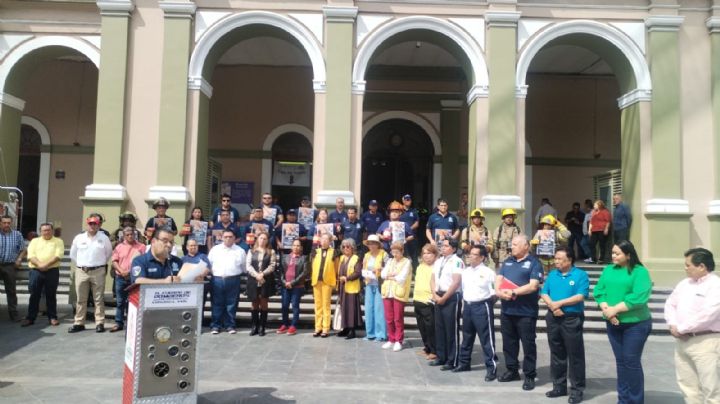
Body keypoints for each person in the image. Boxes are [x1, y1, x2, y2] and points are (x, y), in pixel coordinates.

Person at [593, 240, 652, 404]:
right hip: (613, 322)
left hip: (636, 324)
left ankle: (635, 400)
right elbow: (599, 290)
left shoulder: (640, 272)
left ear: (628, 255)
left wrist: (615, 309)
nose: (613, 256)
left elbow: (639, 296)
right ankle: (623, 400)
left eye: (617, 253)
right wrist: (607, 310)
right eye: (612, 253)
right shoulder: (608, 270)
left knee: (631, 361)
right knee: (621, 362)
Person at [664, 247, 720, 404]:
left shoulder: (715, 285)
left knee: (711, 388)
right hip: (682, 342)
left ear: (701, 266)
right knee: (688, 387)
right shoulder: (684, 284)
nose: (685, 268)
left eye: (688, 265)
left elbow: (708, 314)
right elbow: (670, 304)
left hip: (706, 342)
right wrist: (673, 324)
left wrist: (682, 328)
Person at [540, 247, 589, 403]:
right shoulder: (552, 274)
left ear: (569, 260)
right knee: (557, 352)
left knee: (575, 355)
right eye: (556, 258)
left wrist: (558, 304)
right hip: (553, 317)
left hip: (571, 318)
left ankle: (577, 390)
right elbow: (544, 292)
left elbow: (581, 296)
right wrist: (553, 307)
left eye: (560, 258)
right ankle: (559, 386)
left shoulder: (580, 275)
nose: (556, 261)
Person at [495, 235, 543, 390]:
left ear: (526, 246)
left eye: (515, 244)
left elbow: (533, 286)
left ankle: (529, 375)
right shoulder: (508, 261)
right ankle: (512, 370)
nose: (512, 247)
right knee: (509, 343)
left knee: (528, 344)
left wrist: (513, 292)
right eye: (512, 244)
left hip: (526, 312)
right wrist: (498, 291)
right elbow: (499, 278)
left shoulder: (534, 263)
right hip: (507, 310)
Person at [453, 245, 498, 380]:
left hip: (482, 306)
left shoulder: (488, 272)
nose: (470, 256)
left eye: (474, 254)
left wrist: (485, 305)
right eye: (469, 254)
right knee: (466, 337)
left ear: (482, 257)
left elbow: (494, 293)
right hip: (468, 306)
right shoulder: (465, 272)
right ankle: (464, 363)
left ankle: (491, 367)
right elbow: (463, 290)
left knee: (486, 339)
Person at [68, 215, 113, 333]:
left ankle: (99, 323)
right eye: (91, 224)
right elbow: (73, 254)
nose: (93, 226)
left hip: (98, 271)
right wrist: (82, 264)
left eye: (95, 224)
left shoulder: (104, 238)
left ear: (99, 225)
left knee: (98, 298)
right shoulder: (79, 238)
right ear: (87, 224)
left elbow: (108, 254)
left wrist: (98, 264)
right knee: (81, 299)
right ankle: (79, 323)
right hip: (82, 271)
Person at [429, 239, 464, 370]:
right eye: (441, 246)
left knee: (451, 329)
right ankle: (441, 356)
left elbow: (456, 282)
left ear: (453, 249)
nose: (442, 248)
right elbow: (432, 279)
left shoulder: (457, 262)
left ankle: (452, 359)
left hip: (450, 297)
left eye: (446, 246)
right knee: (440, 328)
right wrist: (434, 294)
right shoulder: (438, 261)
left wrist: (444, 298)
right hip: (438, 295)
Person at [21, 223, 63, 327]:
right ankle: (30, 317)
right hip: (36, 271)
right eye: (44, 230)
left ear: (52, 231)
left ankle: (52, 317)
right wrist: (40, 265)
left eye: (48, 230)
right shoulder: (34, 241)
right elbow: (31, 255)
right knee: (34, 294)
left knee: (51, 295)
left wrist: (46, 265)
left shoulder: (58, 241)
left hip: (52, 271)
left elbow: (58, 255)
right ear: (40, 231)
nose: (46, 232)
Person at [207, 229, 246, 334]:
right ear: (221, 238)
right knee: (216, 304)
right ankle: (216, 325)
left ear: (234, 238)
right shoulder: (215, 249)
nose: (228, 239)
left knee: (232, 304)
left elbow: (244, 267)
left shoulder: (240, 251)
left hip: (233, 279)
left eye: (230, 237)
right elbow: (208, 264)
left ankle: (230, 325)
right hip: (217, 280)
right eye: (226, 237)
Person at [109, 227, 145, 332]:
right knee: (120, 302)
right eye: (127, 235)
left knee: (133, 302)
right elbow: (114, 261)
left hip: (134, 278)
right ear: (124, 236)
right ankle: (118, 323)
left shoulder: (141, 247)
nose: (130, 236)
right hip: (120, 277)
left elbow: (142, 262)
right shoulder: (119, 247)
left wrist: (129, 272)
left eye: (132, 234)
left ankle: (131, 323)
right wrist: (121, 271)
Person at [380, 241, 412, 351]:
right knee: (389, 318)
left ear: (402, 251)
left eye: (397, 252)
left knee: (398, 318)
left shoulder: (407, 262)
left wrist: (391, 276)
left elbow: (401, 278)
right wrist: (392, 275)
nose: (395, 254)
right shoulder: (390, 261)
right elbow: (382, 274)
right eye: (393, 252)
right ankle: (391, 338)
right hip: (387, 292)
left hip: (398, 293)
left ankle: (399, 340)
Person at [245, 231, 276, 336]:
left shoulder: (271, 252)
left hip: (265, 280)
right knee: (254, 304)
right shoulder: (251, 251)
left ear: (267, 241)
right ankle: (254, 326)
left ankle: (262, 327)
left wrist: (262, 274)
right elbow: (248, 266)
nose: (262, 240)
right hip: (253, 280)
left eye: (265, 239)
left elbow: (272, 265)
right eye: (261, 238)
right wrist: (256, 275)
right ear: (257, 239)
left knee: (263, 303)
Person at [277, 239, 309, 336]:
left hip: (297, 286)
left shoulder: (304, 258)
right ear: (291, 247)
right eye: (294, 245)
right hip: (285, 285)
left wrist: (292, 283)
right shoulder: (285, 257)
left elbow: (304, 273)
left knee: (295, 306)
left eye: (298, 245)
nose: (296, 247)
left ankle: (293, 326)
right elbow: (281, 271)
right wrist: (284, 282)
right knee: (284, 306)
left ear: (301, 248)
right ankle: (285, 324)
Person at [310, 233, 338, 337]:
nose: (324, 241)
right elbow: (312, 265)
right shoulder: (315, 252)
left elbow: (336, 267)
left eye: (327, 239)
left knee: (326, 305)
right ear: (320, 241)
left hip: (327, 281)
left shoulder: (334, 252)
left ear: (330, 241)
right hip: (317, 281)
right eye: (323, 239)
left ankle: (325, 328)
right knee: (318, 305)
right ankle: (318, 327)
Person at [361, 234, 388, 341]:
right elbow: (363, 268)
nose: (371, 245)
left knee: (379, 309)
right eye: (369, 243)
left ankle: (380, 334)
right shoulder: (366, 255)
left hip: (379, 284)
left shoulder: (384, 254)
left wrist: (379, 270)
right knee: (368, 309)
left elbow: (388, 268)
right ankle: (370, 333)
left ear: (377, 244)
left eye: (373, 243)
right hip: (368, 284)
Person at [0, 214, 26, 322]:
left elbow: (23, 249)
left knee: (11, 290)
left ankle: (13, 314)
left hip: (10, 265)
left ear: (11, 223)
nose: (6, 225)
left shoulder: (17, 234)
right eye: (4, 222)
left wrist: (19, 259)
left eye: (8, 223)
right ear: (0, 223)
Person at [414, 243, 437, 360]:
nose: (426, 256)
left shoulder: (436, 267)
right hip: (417, 299)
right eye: (424, 253)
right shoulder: (419, 266)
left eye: (429, 253)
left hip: (428, 301)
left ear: (435, 255)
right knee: (422, 327)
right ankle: (427, 347)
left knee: (430, 327)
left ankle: (434, 350)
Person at [337, 238, 363, 339]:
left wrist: (347, 278)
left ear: (352, 248)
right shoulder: (342, 258)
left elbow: (357, 273)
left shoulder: (356, 258)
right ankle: (345, 328)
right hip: (343, 288)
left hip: (351, 288)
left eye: (348, 246)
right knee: (344, 308)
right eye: (343, 247)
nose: (345, 248)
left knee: (351, 309)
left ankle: (352, 330)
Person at [182, 239, 212, 324]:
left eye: (195, 245)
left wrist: (201, 275)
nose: (193, 247)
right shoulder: (183, 259)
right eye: (191, 245)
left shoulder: (203, 256)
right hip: (187, 287)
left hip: (200, 284)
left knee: (200, 305)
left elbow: (207, 268)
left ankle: (199, 324)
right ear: (187, 247)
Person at [587, 200, 611, 264]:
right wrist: (589, 230)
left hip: (601, 230)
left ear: (599, 205)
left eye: (595, 205)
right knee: (592, 244)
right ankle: (593, 258)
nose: (594, 206)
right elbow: (591, 222)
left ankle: (601, 259)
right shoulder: (593, 212)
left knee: (602, 245)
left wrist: (606, 229)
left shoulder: (605, 212)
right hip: (594, 230)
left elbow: (608, 221)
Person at [400, 194, 420, 267]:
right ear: (403, 201)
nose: (408, 201)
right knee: (403, 254)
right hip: (401, 237)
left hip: (412, 237)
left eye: (409, 199)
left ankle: (415, 272)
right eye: (406, 199)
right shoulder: (399, 210)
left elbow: (417, 223)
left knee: (414, 255)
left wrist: (408, 229)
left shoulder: (414, 211)